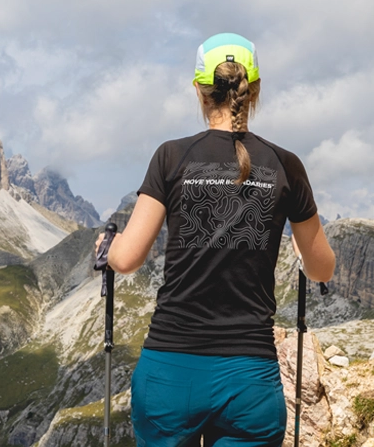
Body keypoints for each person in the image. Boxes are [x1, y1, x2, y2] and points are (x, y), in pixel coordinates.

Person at [96, 32, 335, 446]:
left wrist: (107, 246)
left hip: (170, 374)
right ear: (255, 88)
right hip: (250, 381)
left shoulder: (171, 156)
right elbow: (322, 268)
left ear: (199, 90)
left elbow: (129, 257)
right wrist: (301, 243)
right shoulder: (286, 165)